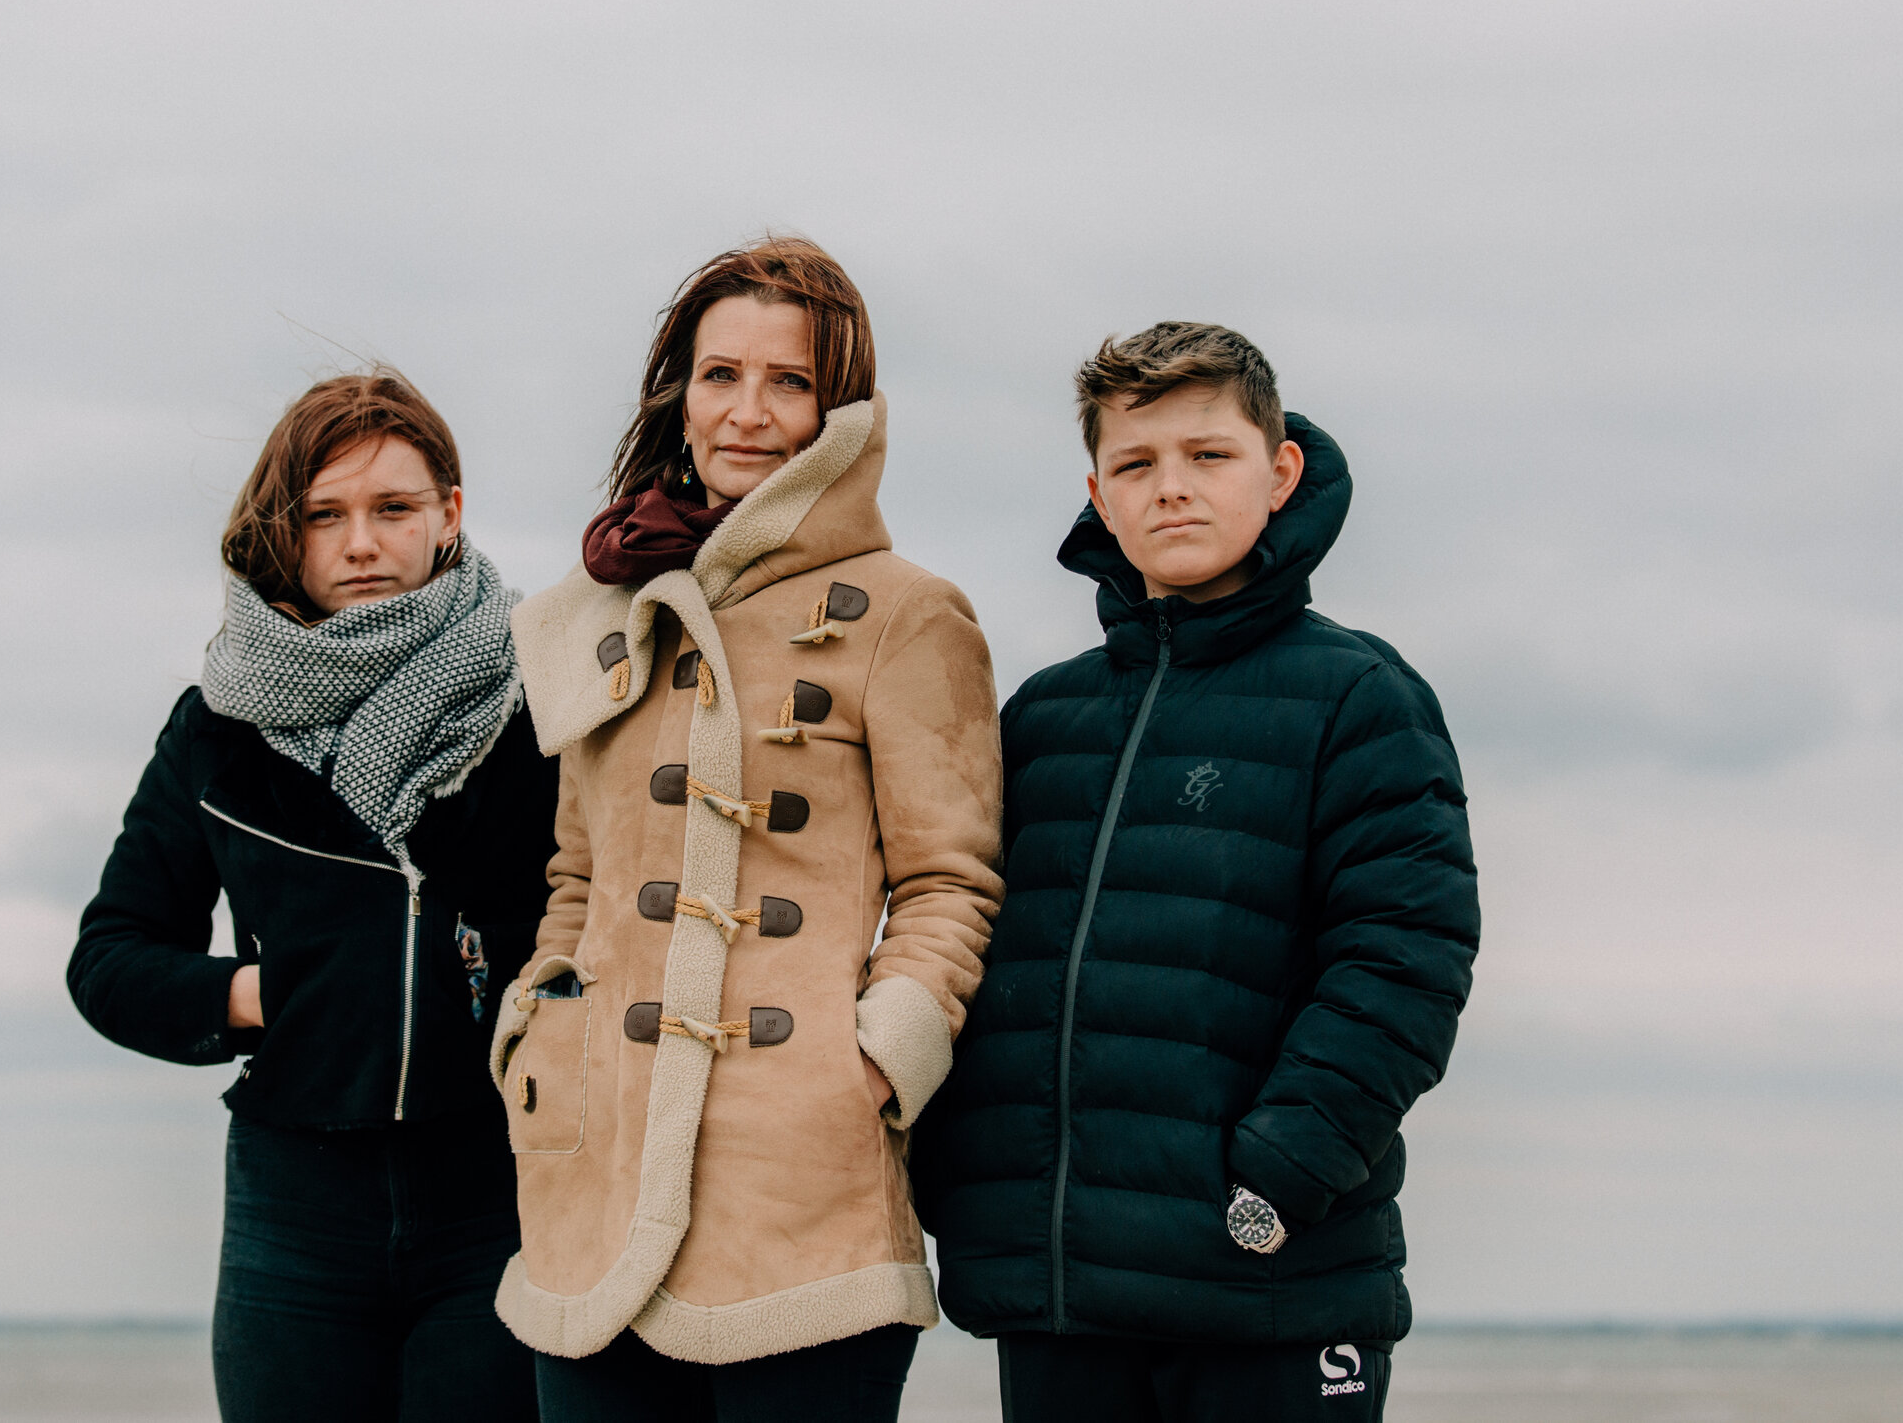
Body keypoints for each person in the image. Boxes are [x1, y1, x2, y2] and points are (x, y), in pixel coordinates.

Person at [912, 323, 1480, 1422]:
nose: (1170, 488)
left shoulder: (1360, 697)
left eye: (1206, 455)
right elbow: (972, 947)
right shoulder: (1041, 717)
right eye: (1136, 464)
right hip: (1061, 1296)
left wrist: (1273, 1178)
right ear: (1098, 495)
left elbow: (1403, 963)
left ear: (1278, 472)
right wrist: (963, 1176)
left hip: (1273, 1292)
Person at [491, 237, 1005, 1423]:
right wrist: (539, 1022)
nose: (748, 413)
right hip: (595, 1175)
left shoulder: (909, 612)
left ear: (843, 409)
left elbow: (950, 882)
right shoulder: (603, 611)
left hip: (804, 1188)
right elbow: (577, 871)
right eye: (720, 374)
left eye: (789, 382)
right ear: (679, 390)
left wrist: (873, 1060)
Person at [67, 369, 557, 1423]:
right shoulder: (218, 725)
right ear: (287, 534)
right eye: (324, 515)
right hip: (293, 1211)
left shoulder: (541, 696)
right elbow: (110, 957)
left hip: (502, 1192)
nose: (361, 543)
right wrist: (253, 994)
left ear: (449, 515)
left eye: (393, 507)